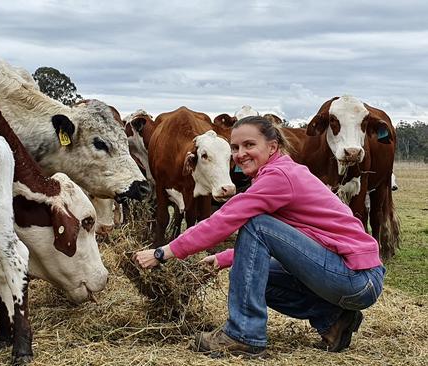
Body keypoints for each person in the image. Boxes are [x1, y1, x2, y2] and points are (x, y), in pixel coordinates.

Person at [134, 115, 385, 358]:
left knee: (255, 224)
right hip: (346, 274)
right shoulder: (278, 174)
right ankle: (333, 320)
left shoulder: (279, 177)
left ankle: (243, 335)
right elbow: (295, 238)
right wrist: (225, 258)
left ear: (273, 146)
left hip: (356, 278)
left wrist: (164, 252)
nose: (240, 153)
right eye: (235, 147)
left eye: (249, 145)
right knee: (248, 274)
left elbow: (226, 219)